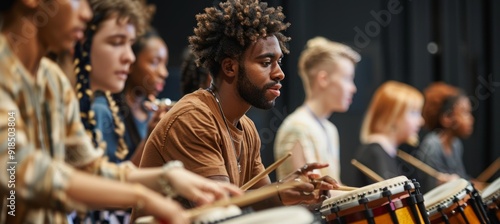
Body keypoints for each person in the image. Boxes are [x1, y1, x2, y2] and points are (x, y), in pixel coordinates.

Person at [0, 0, 240, 223]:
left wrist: (167, 179)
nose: (85, 13)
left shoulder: (52, 80)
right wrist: (141, 196)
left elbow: (88, 170)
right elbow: (18, 171)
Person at [139, 0, 338, 210]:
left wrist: (299, 193)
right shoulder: (194, 117)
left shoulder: (247, 128)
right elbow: (223, 209)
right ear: (229, 67)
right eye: (265, 63)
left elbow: (264, 205)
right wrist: (278, 191)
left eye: (278, 62)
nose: (279, 73)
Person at [274, 36, 360, 184]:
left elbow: (335, 186)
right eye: (347, 78)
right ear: (323, 79)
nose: (353, 88)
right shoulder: (297, 127)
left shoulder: (330, 129)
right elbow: (311, 194)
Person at [351, 81, 424, 187]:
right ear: (392, 116)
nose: (421, 121)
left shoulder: (386, 151)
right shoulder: (374, 152)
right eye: (414, 113)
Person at [417, 82, 478, 193]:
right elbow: (433, 193)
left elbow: (461, 179)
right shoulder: (432, 146)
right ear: (447, 118)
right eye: (465, 112)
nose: (471, 119)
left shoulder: (456, 144)